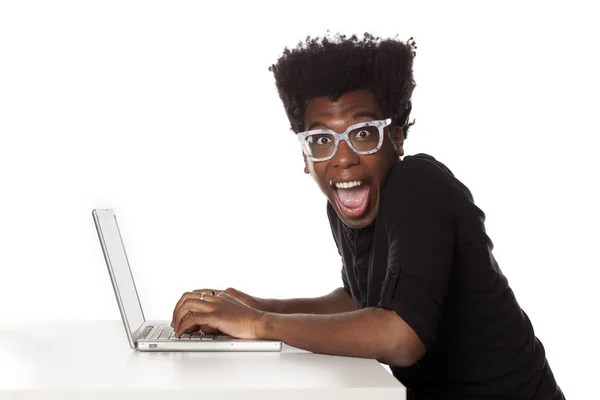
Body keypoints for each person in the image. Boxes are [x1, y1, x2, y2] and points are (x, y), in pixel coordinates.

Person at [170, 33, 564, 399]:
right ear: (306, 158)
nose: (342, 157)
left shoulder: (419, 186)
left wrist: (259, 324)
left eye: (362, 133)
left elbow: (401, 338)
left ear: (395, 138)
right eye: (322, 140)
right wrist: (259, 306)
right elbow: (359, 301)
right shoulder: (346, 206)